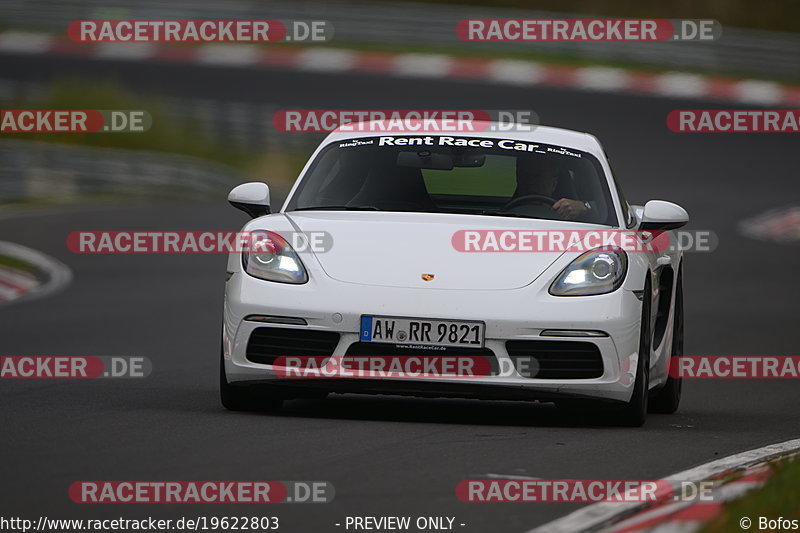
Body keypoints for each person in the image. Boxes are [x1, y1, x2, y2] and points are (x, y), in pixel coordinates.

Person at [510, 156, 591, 220]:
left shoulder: (569, 215)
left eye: (537, 177)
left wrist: (585, 207)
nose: (530, 182)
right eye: (524, 176)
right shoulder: (503, 216)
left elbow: (600, 211)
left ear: (553, 183)